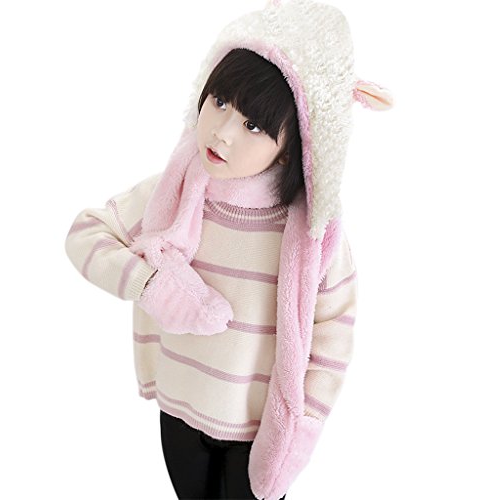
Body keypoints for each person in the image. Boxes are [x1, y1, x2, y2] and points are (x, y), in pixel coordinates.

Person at [64, 1, 393, 499]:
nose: (221, 131)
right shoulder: (173, 190)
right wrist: (153, 286)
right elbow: (86, 233)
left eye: (253, 125)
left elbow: (333, 334)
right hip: (179, 410)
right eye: (219, 101)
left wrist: (302, 427)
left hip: (259, 433)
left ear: (294, 142)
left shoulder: (312, 233)